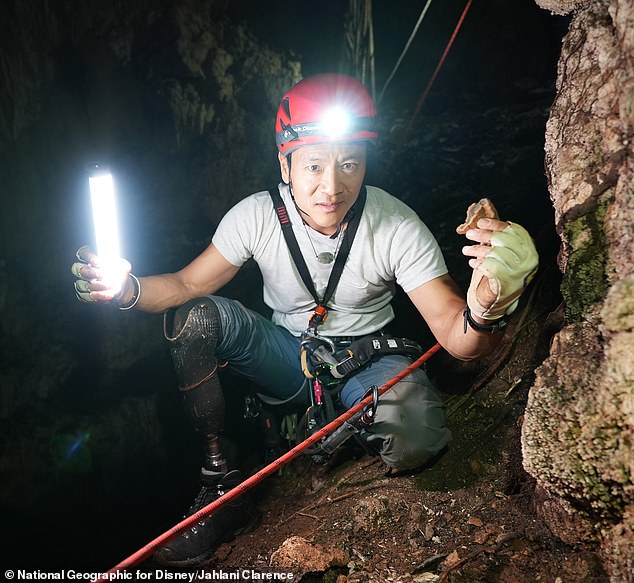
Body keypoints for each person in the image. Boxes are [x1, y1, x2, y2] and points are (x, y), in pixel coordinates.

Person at [72, 74, 538, 566]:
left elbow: (455, 335)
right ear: (285, 163)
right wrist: (128, 289)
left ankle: (344, 430)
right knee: (196, 318)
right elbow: (187, 286)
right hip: (288, 356)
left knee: (417, 438)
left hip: (369, 358)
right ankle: (220, 487)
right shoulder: (255, 217)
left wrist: (490, 301)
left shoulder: (395, 225)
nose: (331, 187)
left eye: (349, 164)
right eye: (313, 165)